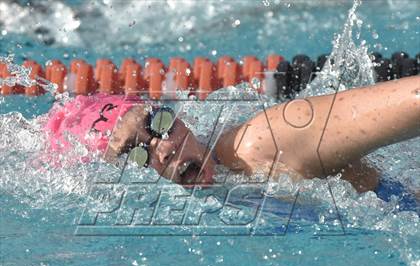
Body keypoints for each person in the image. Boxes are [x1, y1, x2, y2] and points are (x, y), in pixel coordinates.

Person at [44, 75, 420, 193]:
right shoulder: (224, 188)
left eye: (157, 124)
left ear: (179, 116)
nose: (163, 149)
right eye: (136, 154)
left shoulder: (257, 142)